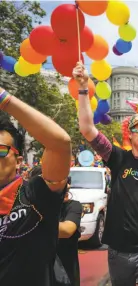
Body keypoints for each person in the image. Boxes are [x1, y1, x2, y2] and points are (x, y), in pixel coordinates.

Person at [73, 63, 138, 286]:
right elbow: (87, 129)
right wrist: (83, 88)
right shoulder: (117, 157)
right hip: (118, 250)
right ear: (131, 135)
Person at [0, 86, 71, 285]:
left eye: (1, 151)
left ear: (19, 160)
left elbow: (60, 143)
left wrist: (4, 99)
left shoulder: (34, 194)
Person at [57, 178, 82, 286]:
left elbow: (67, 230)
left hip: (67, 272)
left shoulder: (73, 205)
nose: (68, 186)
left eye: (68, 181)